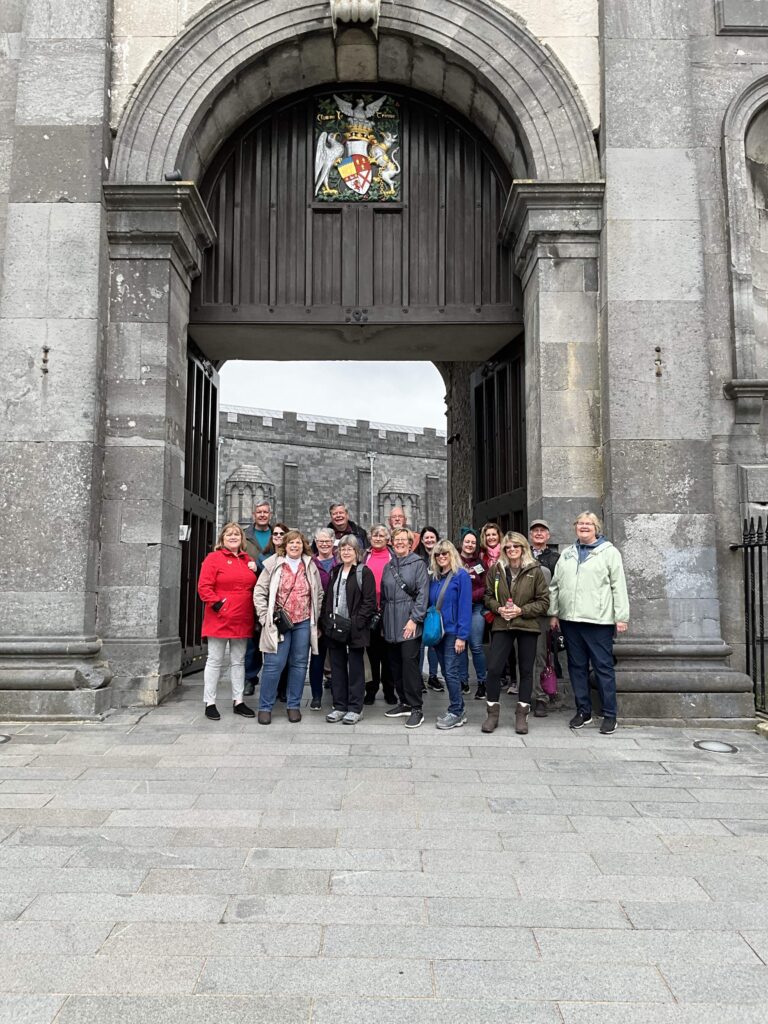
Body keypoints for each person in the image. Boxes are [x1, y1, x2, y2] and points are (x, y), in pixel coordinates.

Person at [549, 511, 629, 735]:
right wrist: (554, 613)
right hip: (570, 620)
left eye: (589, 524)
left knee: (603, 667)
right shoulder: (567, 554)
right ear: (575, 527)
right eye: (580, 523)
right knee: (577, 667)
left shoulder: (609, 552)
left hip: (598, 621)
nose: (584, 526)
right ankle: (583, 710)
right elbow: (555, 586)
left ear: (597, 528)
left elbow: (618, 585)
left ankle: (610, 714)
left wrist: (621, 617)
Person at [481, 532, 549, 735]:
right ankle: (492, 714)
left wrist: (522, 610)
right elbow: (487, 596)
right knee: (493, 668)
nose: (511, 551)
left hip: (526, 625)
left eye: (515, 547)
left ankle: (522, 714)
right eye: (508, 547)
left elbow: (544, 602)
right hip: (503, 624)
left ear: (523, 548)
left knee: (526, 670)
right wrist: (498, 608)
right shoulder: (497, 569)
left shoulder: (534, 570)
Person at [253, 530, 323, 724]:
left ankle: (294, 705)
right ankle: (265, 707)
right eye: (291, 543)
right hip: (279, 624)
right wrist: (263, 617)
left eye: (298, 543)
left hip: (302, 622)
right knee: (274, 664)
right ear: (284, 545)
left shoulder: (310, 565)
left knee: (300, 664)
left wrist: (314, 617)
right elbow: (259, 592)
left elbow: (318, 593)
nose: (294, 546)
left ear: (303, 546)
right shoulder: (273, 564)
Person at [197, 522, 258, 720]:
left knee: (238, 661)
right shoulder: (213, 558)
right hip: (220, 617)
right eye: (229, 534)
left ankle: (238, 700)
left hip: (242, 617)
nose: (233, 537)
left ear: (242, 540)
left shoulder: (247, 560)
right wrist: (218, 605)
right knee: (215, 660)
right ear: (222, 539)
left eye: (237, 535)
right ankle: (210, 702)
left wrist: (255, 569)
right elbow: (204, 587)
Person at [322, 536, 377, 724]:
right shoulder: (335, 571)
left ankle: (355, 708)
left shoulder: (364, 572)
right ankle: (339, 706)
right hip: (335, 628)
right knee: (336, 669)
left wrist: (355, 623)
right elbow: (328, 598)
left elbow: (369, 603)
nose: (345, 552)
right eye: (343, 549)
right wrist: (327, 620)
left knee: (355, 669)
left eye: (350, 549)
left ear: (357, 552)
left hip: (355, 629)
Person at [381, 527, 429, 728]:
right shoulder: (389, 565)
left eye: (404, 540)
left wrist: (414, 619)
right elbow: (384, 596)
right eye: (396, 539)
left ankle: (416, 707)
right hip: (390, 622)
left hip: (409, 622)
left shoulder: (418, 564)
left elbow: (422, 595)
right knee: (395, 665)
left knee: (409, 665)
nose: (399, 542)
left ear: (410, 543)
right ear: (391, 542)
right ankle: (404, 702)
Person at [428, 540, 472, 730]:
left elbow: (464, 606)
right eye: (438, 554)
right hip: (439, 631)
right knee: (446, 672)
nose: (441, 557)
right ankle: (458, 707)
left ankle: (456, 711)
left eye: (445, 553)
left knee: (452, 672)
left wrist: (462, 636)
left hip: (453, 632)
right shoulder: (435, 577)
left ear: (452, 554)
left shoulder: (460, 575)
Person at [528, 519, 561, 718]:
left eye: (542, 531)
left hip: (542, 615)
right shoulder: (522, 554)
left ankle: (541, 697)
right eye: (535, 531)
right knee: (523, 656)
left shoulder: (555, 558)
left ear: (548, 535)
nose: (539, 534)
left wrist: (554, 614)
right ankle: (525, 695)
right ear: (530, 535)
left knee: (541, 656)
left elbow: (558, 589)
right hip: (522, 613)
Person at [242, 501, 274, 696]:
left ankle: (275, 680)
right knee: (252, 639)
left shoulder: (278, 534)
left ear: (270, 514)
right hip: (251, 591)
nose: (262, 515)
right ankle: (249, 678)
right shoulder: (246, 537)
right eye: (259, 512)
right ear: (254, 514)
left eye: (265, 512)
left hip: (274, 592)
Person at [362, 525, 397, 705]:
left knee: (389, 653)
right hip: (369, 612)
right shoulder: (363, 557)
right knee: (372, 654)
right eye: (374, 535)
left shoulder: (394, 557)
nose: (378, 538)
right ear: (370, 538)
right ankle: (371, 689)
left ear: (388, 538)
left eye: (382, 535)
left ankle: (389, 690)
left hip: (389, 611)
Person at [457, 528, 488, 699]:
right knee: (460, 647)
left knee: (476, 646)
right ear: (462, 543)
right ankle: (463, 681)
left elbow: (485, 586)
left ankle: (482, 682)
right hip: (459, 610)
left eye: (473, 542)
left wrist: (471, 596)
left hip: (476, 608)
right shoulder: (454, 561)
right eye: (467, 541)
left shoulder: (480, 564)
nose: (470, 545)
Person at [308, 528, 336, 710]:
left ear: (333, 542)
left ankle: (337, 692)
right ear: (315, 543)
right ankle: (316, 696)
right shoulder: (310, 562)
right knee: (317, 658)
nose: (324, 544)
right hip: (316, 617)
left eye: (327, 541)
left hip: (336, 618)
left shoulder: (341, 561)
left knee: (338, 658)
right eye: (320, 541)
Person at [416, 526, 443, 692]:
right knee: (419, 643)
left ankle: (433, 676)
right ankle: (418, 677)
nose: (429, 540)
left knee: (433, 641)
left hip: (435, 604)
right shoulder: (418, 558)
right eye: (426, 538)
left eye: (432, 537)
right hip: (420, 604)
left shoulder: (442, 556)